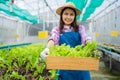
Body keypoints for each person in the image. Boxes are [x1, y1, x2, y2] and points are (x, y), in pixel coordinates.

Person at [40, 2, 92, 80]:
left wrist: (90, 45)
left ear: (75, 16)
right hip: (64, 65)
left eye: (71, 14)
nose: (68, 17)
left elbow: (86, 38)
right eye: (66, 14)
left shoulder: (80, 28)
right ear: (62, 15)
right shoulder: (57, 30)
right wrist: (47, 48)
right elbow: (53, 39)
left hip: (80, 65)